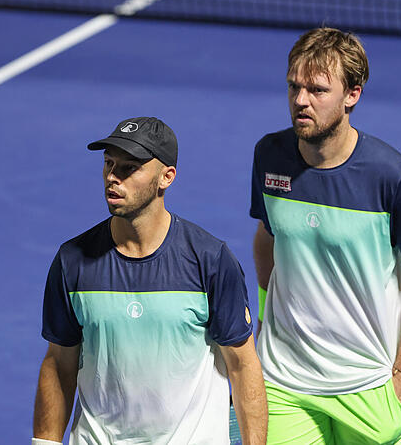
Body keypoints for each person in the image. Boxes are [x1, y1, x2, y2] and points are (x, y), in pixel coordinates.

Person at [250, 28, 401, 444]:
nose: (301, 100)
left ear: (352, 95)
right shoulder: (269, 156)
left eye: (317, 90)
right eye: (294, 87)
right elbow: (267, 237)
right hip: (285, 381)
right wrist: (265, 317)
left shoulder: (393, 177)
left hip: (368, 386)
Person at [33, 117, 267, 445]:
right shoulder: (72, 261)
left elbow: (242, 366)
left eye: (129, 168)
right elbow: (59, 363)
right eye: (109, 163)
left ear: (166, 177)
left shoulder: (210, 260)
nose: (113, 177)